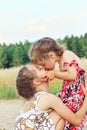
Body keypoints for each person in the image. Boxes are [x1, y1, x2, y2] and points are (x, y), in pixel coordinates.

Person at [29, 37, 87, 130]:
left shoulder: (66, 55)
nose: (45, 68)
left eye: (44, 64)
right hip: (70, 93)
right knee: (57, 110)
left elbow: (73, 75)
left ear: (51, 55)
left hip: (77, 93)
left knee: (66, 115)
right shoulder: (60, 62)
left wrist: (55, 73)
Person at [14, 64, 87, 130]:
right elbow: (77, 121)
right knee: (60, 115)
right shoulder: (48, 98)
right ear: (36, 81)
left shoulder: (31, 103)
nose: (42, 66)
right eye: (39, 69)